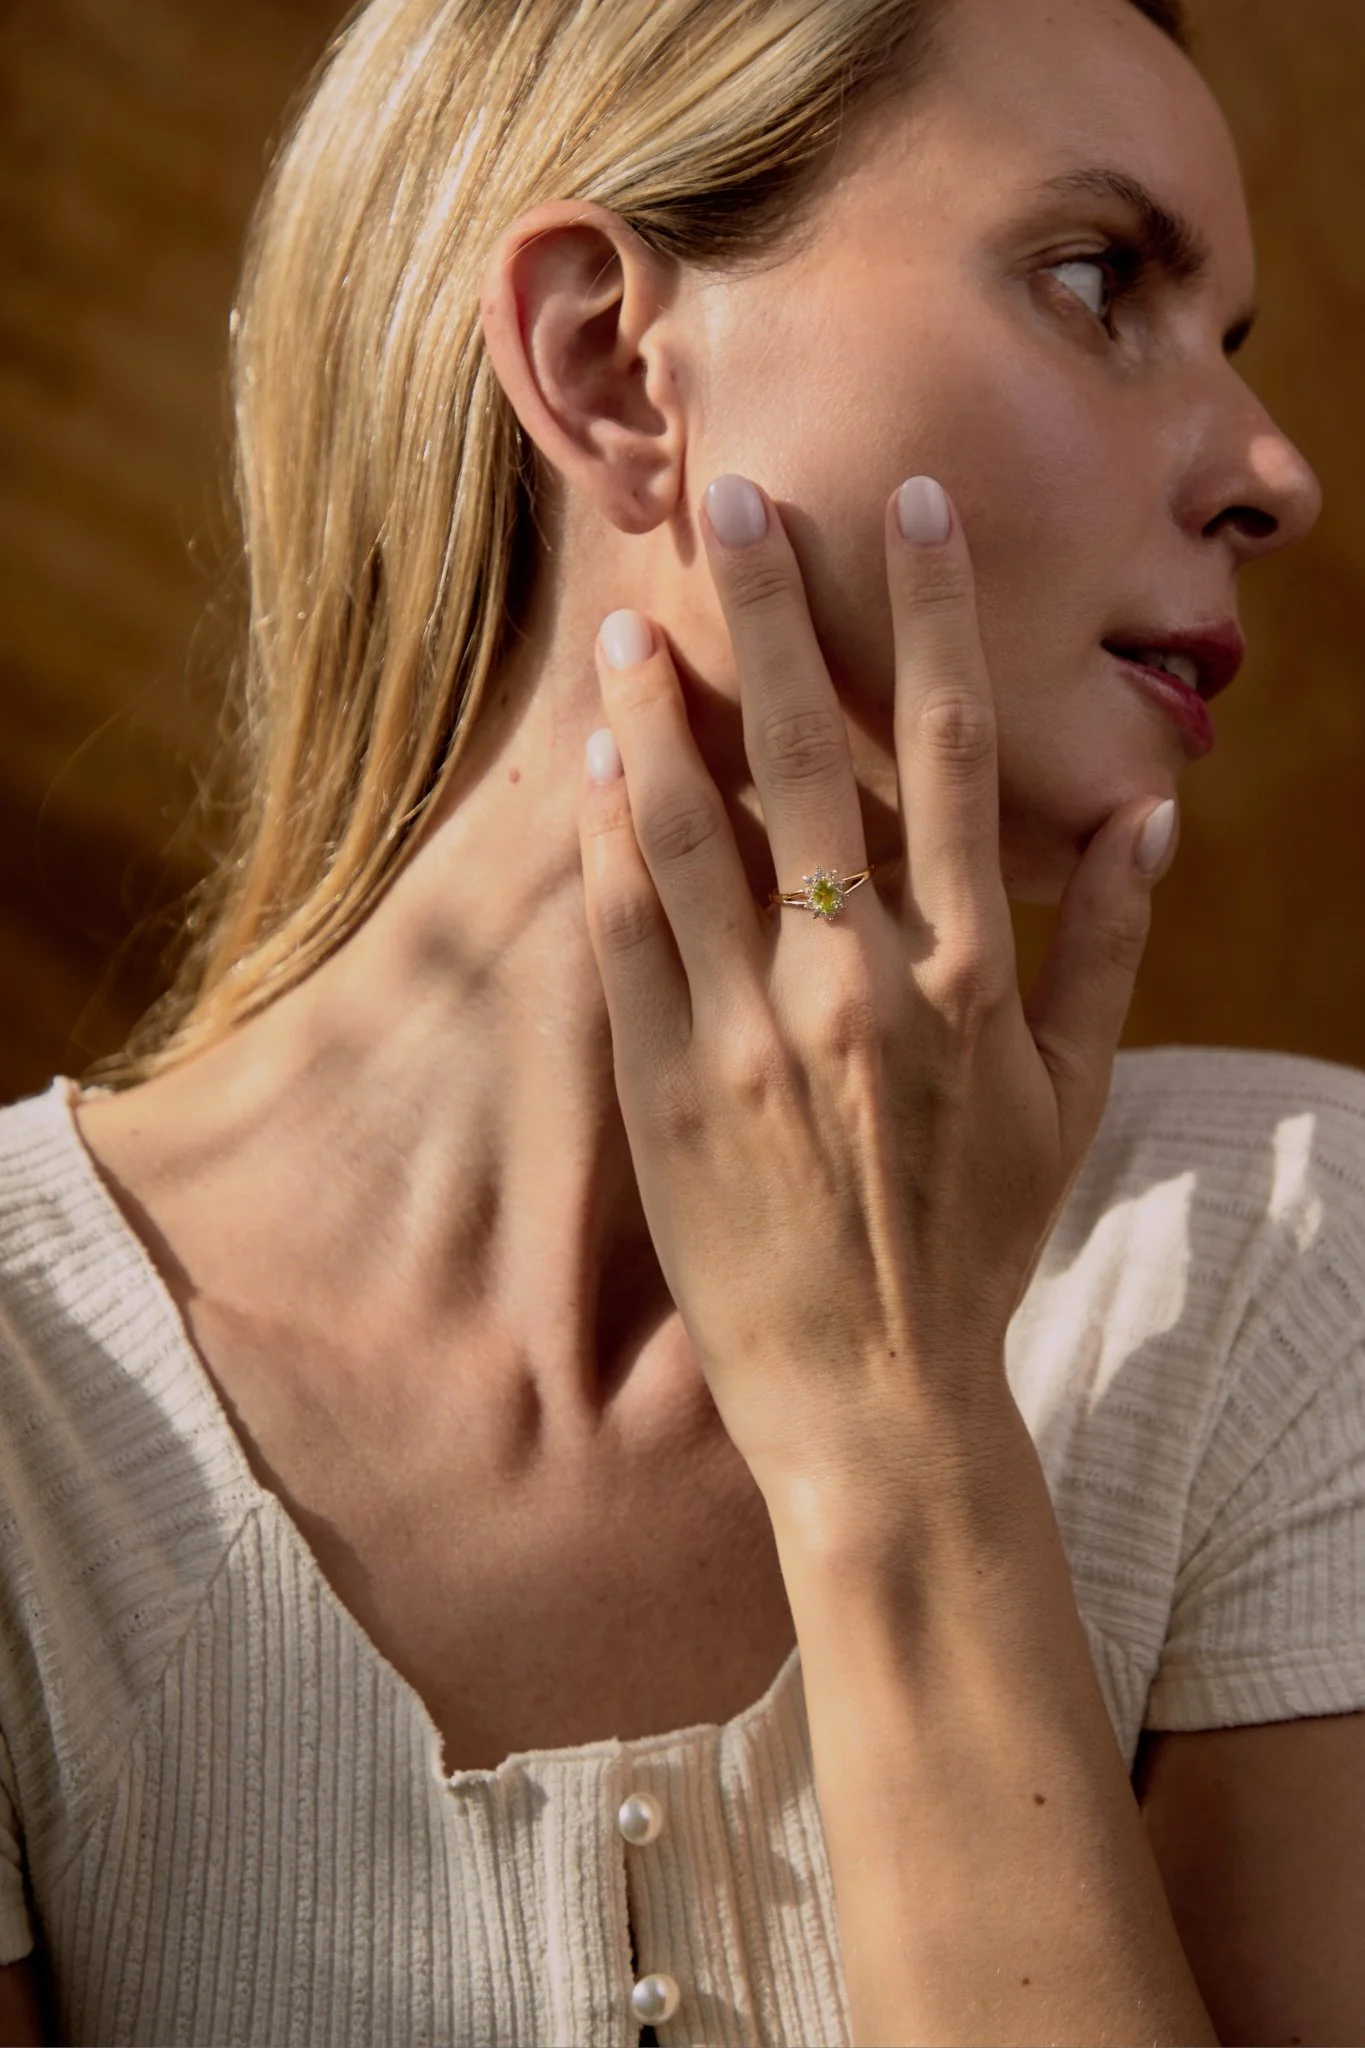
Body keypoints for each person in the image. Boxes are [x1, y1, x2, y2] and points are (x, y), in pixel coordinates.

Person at [1, 0, 1362, 2040]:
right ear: (606, 361)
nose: (1279, 478)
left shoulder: (1274, 1264)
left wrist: (898, 1440)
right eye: (1098, 284)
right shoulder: (33, 1406)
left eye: (1234, 346)